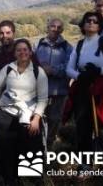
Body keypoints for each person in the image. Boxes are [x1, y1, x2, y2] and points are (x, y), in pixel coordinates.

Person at [66, 11, 103, 178]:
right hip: (83, 86)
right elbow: (69, 69)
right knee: (83, 126)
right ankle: (85, 165)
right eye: (88, 20)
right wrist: (79, 76)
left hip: (102, 87)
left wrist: (99, 70)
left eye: (95, 21)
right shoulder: (79, 45)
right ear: (83, 24)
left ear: (99, 26)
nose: (91, 23)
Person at [0, 38, 48, 186]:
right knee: (7, 148)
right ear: (14, 53)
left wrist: (36, 119)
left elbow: (43, 98)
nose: (22, 52)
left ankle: (32, 179)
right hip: (6, 113)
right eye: (19, 50)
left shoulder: (38, 71)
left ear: (30, 52)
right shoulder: (8, 68)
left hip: (29, 115)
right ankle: (11, 179)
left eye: (25, 49)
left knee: (31, 147)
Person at [34, 18, 72, 147]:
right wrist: (41, 70)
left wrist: (52, 70)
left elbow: (69, 68)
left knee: (55, 120)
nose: (55, 29)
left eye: (59, 27)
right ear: (47, 27)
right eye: (52, 26)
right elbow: (30, 64)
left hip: (59, 91)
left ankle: (49, 145)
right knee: (37, 119)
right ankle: (38, 145)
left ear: (62, 30)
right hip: (39, 92)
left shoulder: (67, 47)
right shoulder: (37, 44)